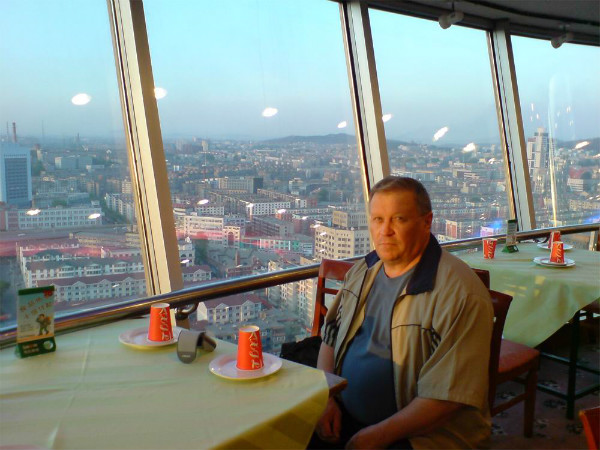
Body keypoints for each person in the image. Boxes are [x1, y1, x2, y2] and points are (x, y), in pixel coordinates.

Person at [313, 176, 494, 450]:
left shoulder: (460, 294)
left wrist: (374, 437)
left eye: (398, 219)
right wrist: (326, 398)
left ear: (426, 222)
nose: (385, 231)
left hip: (420, 435)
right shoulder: (364, 271)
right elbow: (330, 337)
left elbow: (447, 398)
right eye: (378, 219)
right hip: (344, 414)